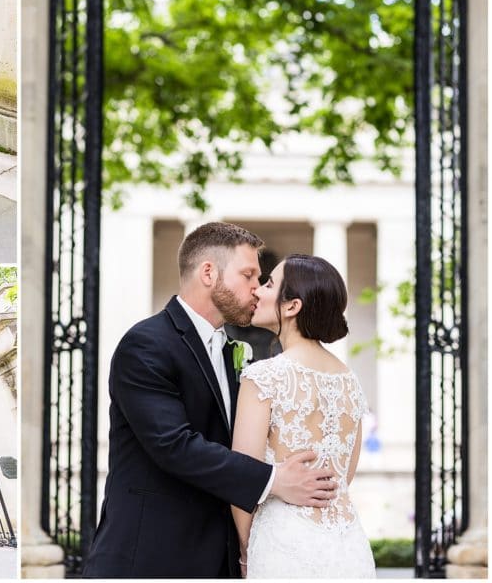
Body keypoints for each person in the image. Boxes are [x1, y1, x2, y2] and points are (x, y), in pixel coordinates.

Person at [82, 223, 338, 578]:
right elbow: (174, 444)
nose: (257, 288)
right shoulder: (146, 344)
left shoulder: (234, 351)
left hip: (219, 559)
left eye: (261, 278)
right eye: (248, 274)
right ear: (208, 273)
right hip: (151, 557)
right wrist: (273, 479)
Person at [232, 255, 376, 578]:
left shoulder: (264, 377)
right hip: (348, 546)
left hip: (283, 543)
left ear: (292, 306)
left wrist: (246, 551)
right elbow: (343, 477)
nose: (258, 290)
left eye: (269, 284)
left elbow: (242, 479)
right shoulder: (350, 382)